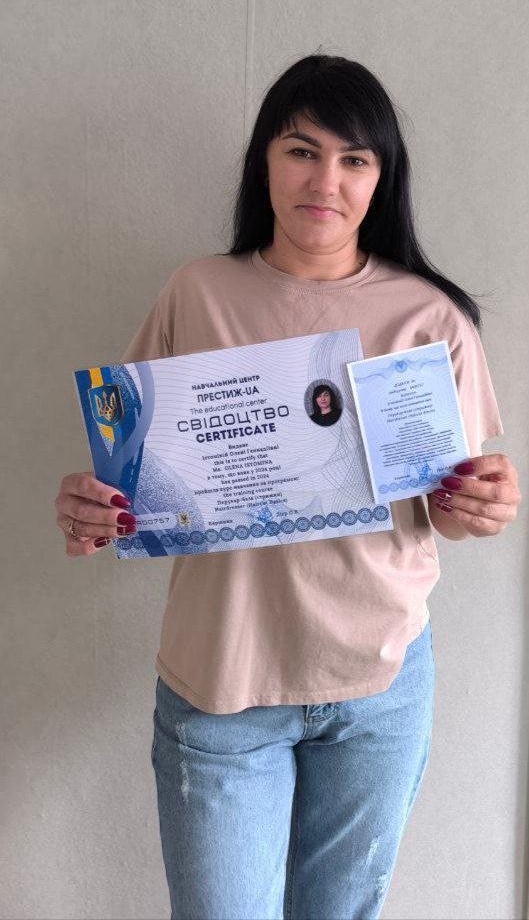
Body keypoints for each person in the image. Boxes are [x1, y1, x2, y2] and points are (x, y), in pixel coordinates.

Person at [54, 54, 520, 920]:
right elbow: (131, 486)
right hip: (221, 681)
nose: (324, 181)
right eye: (301, 150)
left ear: (381, 178)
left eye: (354, 159)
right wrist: (92, 510)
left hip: (377, 680)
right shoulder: (196, 294)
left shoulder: (430, 318)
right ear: (264, 161)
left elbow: (445, 508)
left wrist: (479, 505)